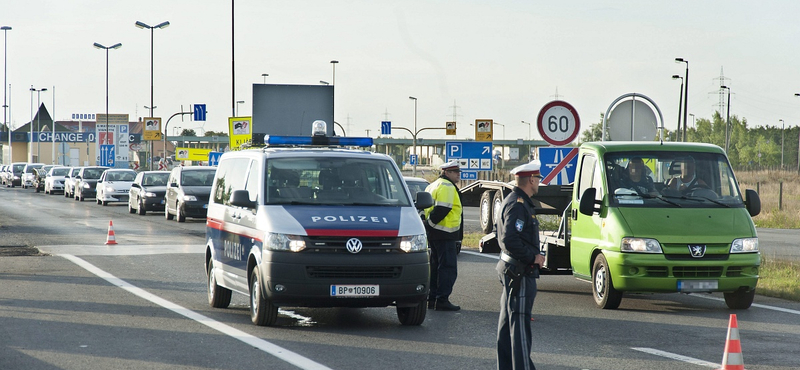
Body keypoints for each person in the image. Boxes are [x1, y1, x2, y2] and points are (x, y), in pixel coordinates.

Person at [496, 160, 546, 370]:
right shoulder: (518, 204)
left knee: (508, 323)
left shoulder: (517, 201)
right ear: (531, 180)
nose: (539, 183)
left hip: (512, 268)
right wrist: (532, 257)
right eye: (538, 179)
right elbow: (510, 239)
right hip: (519, 271)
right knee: (520, 325)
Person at [423, 160, 464, 311]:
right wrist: (432, 225)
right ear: (447, 173)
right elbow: (442, 209)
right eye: (455, 172)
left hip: (435, 234)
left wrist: (429, 227)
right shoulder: (447, 186)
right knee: (447, 268)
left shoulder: (432, 185)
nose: (459, 175)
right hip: (445, 233)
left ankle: (432, 299)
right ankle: (442, 300)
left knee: (435, 267)